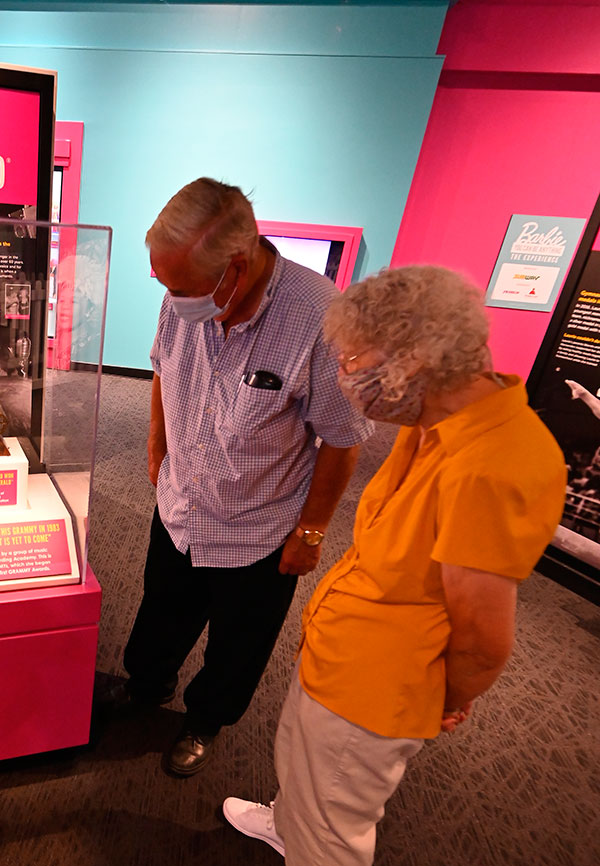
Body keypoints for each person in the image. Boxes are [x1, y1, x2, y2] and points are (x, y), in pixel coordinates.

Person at [222, 266, 567, 865]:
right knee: (302, 769)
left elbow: (485, 639)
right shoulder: (439, 422)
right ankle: (287, 821)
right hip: (345, 655)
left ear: (415, 361)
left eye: (353, 360)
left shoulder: (492, 464)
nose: (342, 375)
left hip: (375, 691)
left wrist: (446, 696)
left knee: (333, 826)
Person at [115, 178, 372, 777]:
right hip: (180, 508)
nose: (171, 297)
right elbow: (160, 367)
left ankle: (205, 721)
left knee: (238, 646)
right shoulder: (186, 294)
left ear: (235, 267)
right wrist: (158, 448)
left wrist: (311, 530)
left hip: (260, 530)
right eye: (163, 283)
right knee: (160, 612)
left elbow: (342, 438)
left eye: (180, 287)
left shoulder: (321, 319)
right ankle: (147, 686)